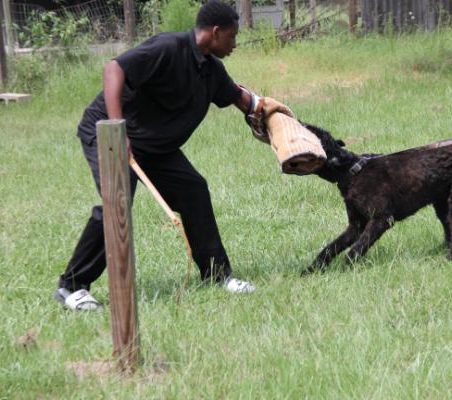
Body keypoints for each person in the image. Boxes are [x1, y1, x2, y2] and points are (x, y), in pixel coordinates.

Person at [54, 0, 293, 311]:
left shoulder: (211, 69)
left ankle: (217, 275)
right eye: (232, 37)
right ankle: (72, 287)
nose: (235, 44)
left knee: (193, 190)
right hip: (110, 132)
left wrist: (278, 120)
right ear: (215, 32)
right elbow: (114, 68)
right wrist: (117, 128)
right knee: (117, 201)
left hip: (155, 146)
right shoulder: (168, 47)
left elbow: (240, 98)